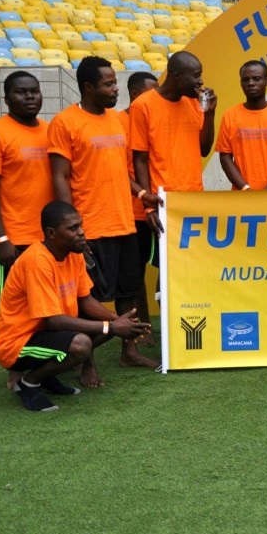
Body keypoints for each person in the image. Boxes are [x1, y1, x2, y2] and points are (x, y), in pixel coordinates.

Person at [48, 55, 156, 383]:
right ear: (88, 87)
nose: (115, 89)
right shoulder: (64, 122)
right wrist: (74, 229)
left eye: (114, 83)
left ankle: (130, 351)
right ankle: (87, 362)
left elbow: (122, 171)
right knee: (87, 297)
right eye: (108, 84)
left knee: (128, 290)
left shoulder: (119, 121)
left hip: (124, 221)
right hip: (89, 227)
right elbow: (60, 177)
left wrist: (140, 194)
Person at [0, 201, 151, 412]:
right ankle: (29, 383)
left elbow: (85, 300)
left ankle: (46, 376)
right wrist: (111, 327)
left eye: (81, 226)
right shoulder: (37, 260)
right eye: (73, 228)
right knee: (82, 344)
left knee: (106, 325)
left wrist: (117, 320)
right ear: (51, 233)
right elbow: (54, 320)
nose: (81, 232)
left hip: (43, 334)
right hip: (15, 344)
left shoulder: (73, 254)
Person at [0, 71, 52, 281]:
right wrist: (1, 238)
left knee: (52, 299)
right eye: (21, 92)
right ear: (7, 100)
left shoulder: (51, 131)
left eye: (34, 91)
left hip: (51, 233)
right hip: (16, 236)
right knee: (18, 303)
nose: (30, 97)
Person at [130, 51, 216, 196]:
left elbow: (204, 150)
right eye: (196, 75)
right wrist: (149, 203)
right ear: (177, 75)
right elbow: (140, 160)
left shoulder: (195, 103)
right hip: (162, 198)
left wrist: (210, 114)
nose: (201, 81)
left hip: (195, 195)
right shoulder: (143, 105)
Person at [118, 72, 160, 341]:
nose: (156, 96)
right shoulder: (118, 123)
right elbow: (121, 170)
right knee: (135, 274)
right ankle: (142, 327)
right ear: (135, 95)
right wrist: (143, 195)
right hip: (131, 212)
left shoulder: (155, 117)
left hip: (158, 208)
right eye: (151, 91)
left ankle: (165, 322)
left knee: (168, 267)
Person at [216, 60, 267, 190]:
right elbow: (225, 157)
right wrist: (245, 188)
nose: (251, 83)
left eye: (256, 79)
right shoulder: (230, 116)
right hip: (242, 196)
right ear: (241, 83)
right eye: (246, 80)